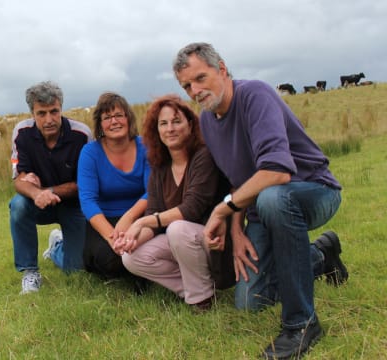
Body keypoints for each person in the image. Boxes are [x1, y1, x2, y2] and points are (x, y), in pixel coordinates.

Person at [173, 42, 348, 359]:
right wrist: (237, 232)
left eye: (200, 78)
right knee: (251, 301)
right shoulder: (208, 122)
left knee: (272, 197)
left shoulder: (255, 95)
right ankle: (321, 255)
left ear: (222, 69)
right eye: (186, 86)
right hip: (264, 208)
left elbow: (277, 171)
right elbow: (236, 182)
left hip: (314, 190)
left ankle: (301, 324)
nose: (195, 90)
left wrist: (223, 210)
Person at [115, 94, 234, 311]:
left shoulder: (203, 156)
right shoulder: (159, 167)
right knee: (130, 258)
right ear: (156, 130)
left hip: (214, 241)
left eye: (176, 121)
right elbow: (154, 213)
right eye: (163, 123)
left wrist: (140, 223)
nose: (170, 128)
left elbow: (191, 208)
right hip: (182, 242)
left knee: (177, 228)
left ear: (190, 124)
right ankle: (193, 287)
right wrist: (131, 240)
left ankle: (201, 299)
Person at [9, 81, 92, 294]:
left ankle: (57, 246)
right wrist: (36, 194)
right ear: (32, 113)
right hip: (38, 204)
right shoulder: (22, 132)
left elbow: (85, 184)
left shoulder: (82, 135)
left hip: (73, 205)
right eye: (41, 113)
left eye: (54, 112)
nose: (49, 120)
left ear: (61, 108)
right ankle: (30, 272)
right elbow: (19, 179)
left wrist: (50, 191)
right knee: (18, 205)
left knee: (75, 270)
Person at [76, 92, 151, 283]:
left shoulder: (146, 147)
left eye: (119, 115)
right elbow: (87, 200)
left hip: (139, 216)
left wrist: (130, 217)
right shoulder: (90, 153)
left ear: (128, 118)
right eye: (107, 118)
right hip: (104, 219)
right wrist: (112, 238)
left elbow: (152, 190)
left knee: (142, 250)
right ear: (100, 124)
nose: (114, 121)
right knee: (108, 259)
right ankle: (59, 245)